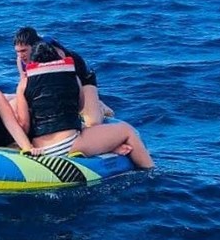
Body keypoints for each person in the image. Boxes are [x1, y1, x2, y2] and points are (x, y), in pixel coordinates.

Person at [14, 42, 154, 168]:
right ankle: (151, 171)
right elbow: (80, 106)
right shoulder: (72, 77)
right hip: (69, 144)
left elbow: (24, 124)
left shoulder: (23, 84)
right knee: (127, 130)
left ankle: (110, 148)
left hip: (40, 148)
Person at [12, 26, 111, 127]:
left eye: (24, 51)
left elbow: (64, 82)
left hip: (82, 78)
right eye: (17, 52)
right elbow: (26, 87)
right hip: (60, 83)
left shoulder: (53, 53)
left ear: (34, 46)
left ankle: (99, 106)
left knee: (92, 123)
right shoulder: (21, 60)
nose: (20, 55)